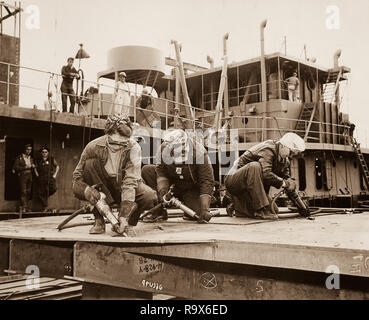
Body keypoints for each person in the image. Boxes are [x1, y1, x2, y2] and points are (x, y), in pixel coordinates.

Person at [72, 114, 157, 236]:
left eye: (123, 144)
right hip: (103, 187)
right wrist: (88, 192)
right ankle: (99, 220)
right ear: (108, 135)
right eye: (114, 143)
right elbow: (76, 179)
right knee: (89, 165)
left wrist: (123, 215)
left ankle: (128, 223)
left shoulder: (134, 148)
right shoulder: (93, 147)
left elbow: (130, 181)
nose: (118, 147)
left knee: (149, 196)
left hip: (124, 186)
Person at [225, 132, 305, 220]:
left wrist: (301, 206)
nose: (291, 156)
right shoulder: (268, 149)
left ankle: (237, 205)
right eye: (291, 152)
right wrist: (285, 183)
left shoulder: (285, 161)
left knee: (274, 210)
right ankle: (260, 211)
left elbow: (288, 183)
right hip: (233, 181)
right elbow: (266, 174)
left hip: (247, 188)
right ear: (283, 145)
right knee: (255, 166)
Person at [141, 129, 215, 224]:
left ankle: (193, 205)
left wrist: (205, 208)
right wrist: (163, 192)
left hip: (191, 186)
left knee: (198, 214)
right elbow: (161, 171)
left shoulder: (199, 153)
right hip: (173, 181)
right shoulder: (163, 149)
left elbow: (207, 181)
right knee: (147, 170)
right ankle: (159, 211)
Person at [12, 144, 37, 213]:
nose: (29, 151)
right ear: (24, 149)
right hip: (23, 175)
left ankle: (27, 207)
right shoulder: (19, 157)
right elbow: (15, 167)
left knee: (28, 192)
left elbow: (34, 166)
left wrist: (33, 166)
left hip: (30, 175)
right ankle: (23, 207)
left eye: (30, 150)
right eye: (27, 149)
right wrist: (24, 168)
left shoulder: (31, 158)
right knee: (23, 191)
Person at [35, 146, 59, 212]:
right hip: (41, 178)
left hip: (50, 177)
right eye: (43, 152)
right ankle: (45, 207)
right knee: (41, 193)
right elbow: (35, 167)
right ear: (41, 153)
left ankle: (45, 196)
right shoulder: (38, 160)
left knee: (53, 189)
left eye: (46, 152)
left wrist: (55, 175)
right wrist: (37, 175)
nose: (44, 153)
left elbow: (57, 166)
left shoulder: (51, 159)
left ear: (48, 153)